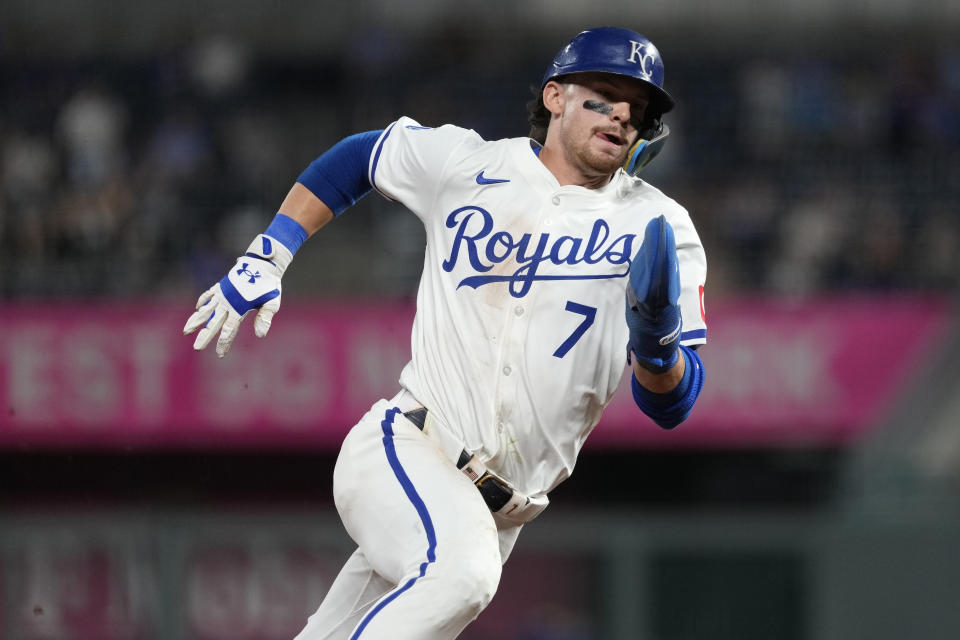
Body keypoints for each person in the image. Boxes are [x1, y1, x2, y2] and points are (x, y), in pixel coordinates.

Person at [184, 26, 707, 640]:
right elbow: (361, 157)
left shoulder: (661, 225)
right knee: (461, 576)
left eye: (637, 108)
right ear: (556, 97)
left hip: (498, 513)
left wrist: (655, 340)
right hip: (411, 448)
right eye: (605, 94)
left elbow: (673, 402)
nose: (622, 113)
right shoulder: (470, 163)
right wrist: (272, 251)